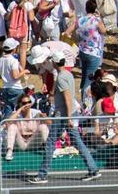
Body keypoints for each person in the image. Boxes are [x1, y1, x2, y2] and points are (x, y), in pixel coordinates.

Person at [30, 47, 102, 183]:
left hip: (63, 114)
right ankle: (93, 169)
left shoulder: (62, 77)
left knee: (51, 142)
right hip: (68, 113)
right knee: (77, 141)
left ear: (56, 63)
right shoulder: (68, 75)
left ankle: (42, 174)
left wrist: (68, 117)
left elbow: (68, 98)